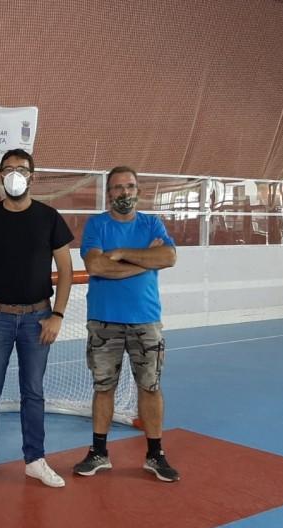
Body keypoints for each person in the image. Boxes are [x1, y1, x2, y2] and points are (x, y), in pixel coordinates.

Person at [0, 148, 74, 494]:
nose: (15, 174)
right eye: (8, 168)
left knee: (34, 392)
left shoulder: (49, 217)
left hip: (38, 319)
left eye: (21, 169)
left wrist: (57, 315)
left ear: (32, 176)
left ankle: (35, 460)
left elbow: (66, 270)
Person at [73, 165, 180, 482]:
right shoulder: (97, 225)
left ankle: (155, 454)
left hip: (145, 320)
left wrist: (119, 254)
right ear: (109, 194)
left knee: (150, 387)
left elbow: (168, 258)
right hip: (104, 320)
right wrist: (144, 261)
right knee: (103, 388)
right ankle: (99, 452)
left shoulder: (152, 224)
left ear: (138, 191)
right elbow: (96, 265)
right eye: (118, 187)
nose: (124, 192)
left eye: (130, 186)